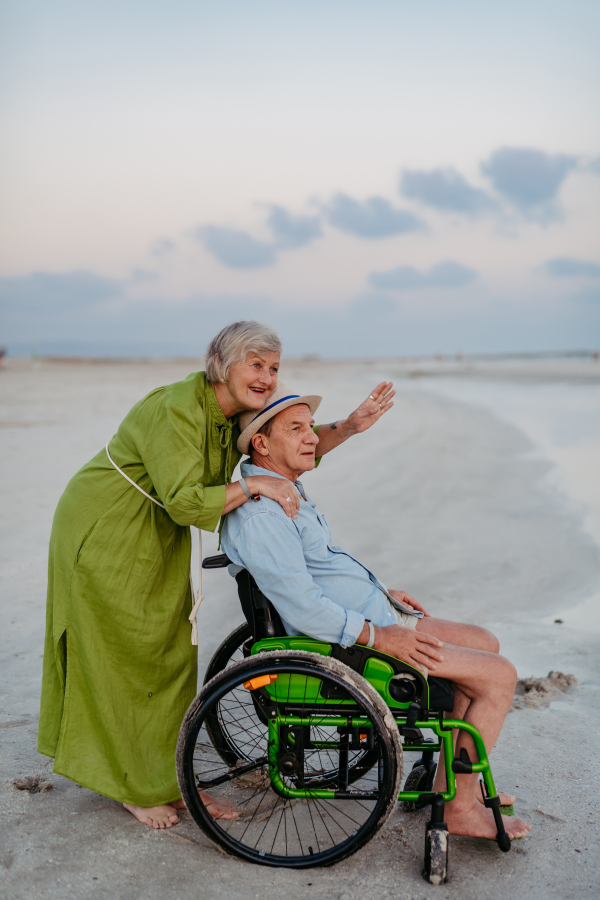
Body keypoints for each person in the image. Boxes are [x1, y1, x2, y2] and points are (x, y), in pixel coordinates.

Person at [38, 321, 395, 830]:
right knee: (124, 652)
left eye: (273, 367)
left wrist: (352, 425)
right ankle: (132, 786)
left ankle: (165, 778)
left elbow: (283, 447)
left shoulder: (234, 414)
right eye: (256, 365)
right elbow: (186, 502)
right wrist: (255, 491)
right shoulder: (176, 408)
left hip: (157, 529)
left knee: (168, 652)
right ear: (222, 365)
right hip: (110, 525)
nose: (267, 377)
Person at [221, 385, 532, 842]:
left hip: (371, 614)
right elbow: (304, 606)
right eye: (297, 429)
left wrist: (382, 591)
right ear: (262, 444)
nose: (311, 438)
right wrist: (381, 635)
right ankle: (460, 808)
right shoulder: (264, 514)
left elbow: (325, 569)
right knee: (499, 675)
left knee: (484, 642)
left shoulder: (284, 489)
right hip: (345, 644)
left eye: (310, 427)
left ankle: (452, 784)